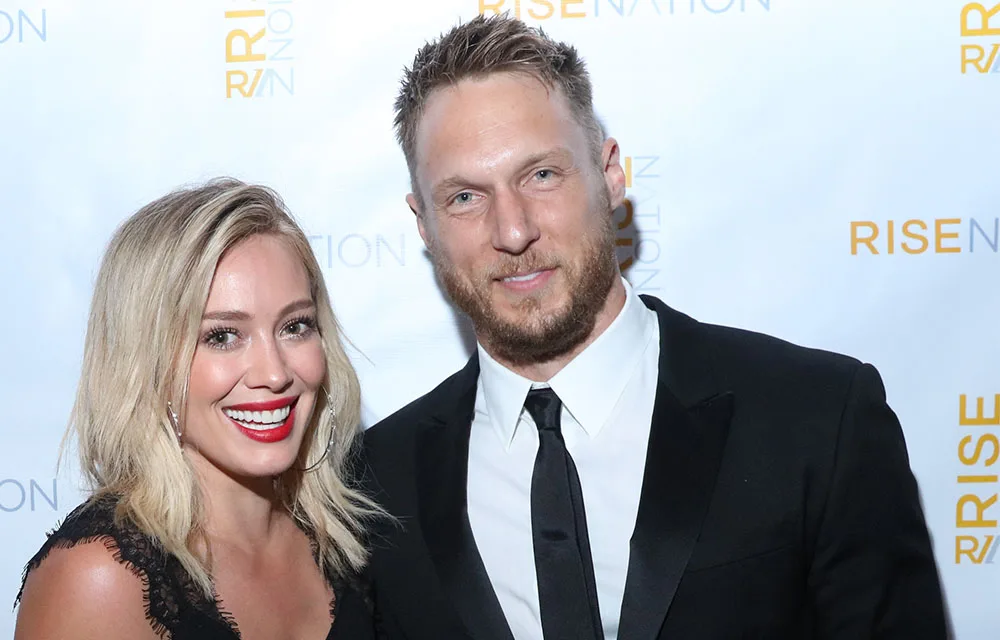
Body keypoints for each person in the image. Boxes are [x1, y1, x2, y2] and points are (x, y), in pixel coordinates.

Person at [359, 14, 948, 640]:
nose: (513, 231)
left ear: (610, 175)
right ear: (423, 224)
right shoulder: (374, 487)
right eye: (465, 197)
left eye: (542, 175)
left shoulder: (818, 419)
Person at [14, 179, 378, 639]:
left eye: (295, 326)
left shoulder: (352, 536)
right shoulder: (99, 579)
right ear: (147, 363)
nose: (274, 373)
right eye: (222, 336)